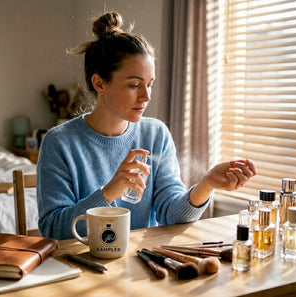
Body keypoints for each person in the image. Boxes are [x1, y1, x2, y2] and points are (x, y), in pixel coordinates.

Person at [37, 11, 257, 240]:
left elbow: (171, 215)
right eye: (134, 85)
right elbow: (54, 229)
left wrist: (207, 184)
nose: (146, 96)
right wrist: (110, 192)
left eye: (150, 84)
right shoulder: (59, 142)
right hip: (83, 267)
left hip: (140, 266)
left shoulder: (155, 134)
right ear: (99, 83)